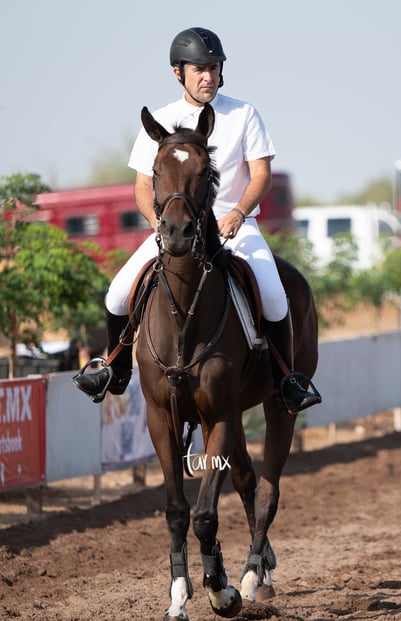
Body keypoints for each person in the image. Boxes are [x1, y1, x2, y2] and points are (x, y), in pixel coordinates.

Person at [73, 26, 320, 413]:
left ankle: (287, 380)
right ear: (178, 72)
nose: (208, 76)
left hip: (234, 227)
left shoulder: (243, 114)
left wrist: (238, 213)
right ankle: (113, 368)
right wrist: (159, 226)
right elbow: (141, 186)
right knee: (118, 293)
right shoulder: (160, 119)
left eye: (214, 68)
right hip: (176, 231)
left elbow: (261, 175)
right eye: (199, 69)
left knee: (274, 296)